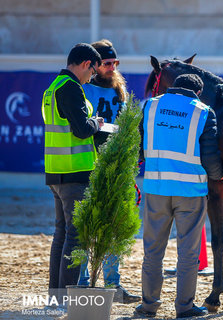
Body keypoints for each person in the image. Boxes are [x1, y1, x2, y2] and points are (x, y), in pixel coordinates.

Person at [134, 74, 223, 318]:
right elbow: (209, 156)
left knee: (152, 251)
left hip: (156, 188)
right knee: (188, 254)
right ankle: (184, 307)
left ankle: (149, 305)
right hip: (190, 192)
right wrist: (219, 173)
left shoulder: (151, 105)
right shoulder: (203, 111)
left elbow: (139, 145)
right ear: (198, 91)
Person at [77, 39, 141, 304]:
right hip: (91, 166)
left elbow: (125, 127)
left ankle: (113, 285)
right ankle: (80, 284)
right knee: (84, 228)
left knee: (116, 227)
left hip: (118, 166)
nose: (112, 67)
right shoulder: (84, 89)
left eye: (115, 63)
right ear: (94, 64)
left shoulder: (119, 90)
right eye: (107, 63)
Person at [41, 43, 103, 301]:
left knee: (62, 234)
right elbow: (81, 129)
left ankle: (55, 295)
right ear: (86, 63)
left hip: (57, 172)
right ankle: (65, 297)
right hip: (75, 173)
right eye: (93, 72)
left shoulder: (52, 88)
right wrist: (96, 123)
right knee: (74, 237)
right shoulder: (71, 88)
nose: (92, 78)